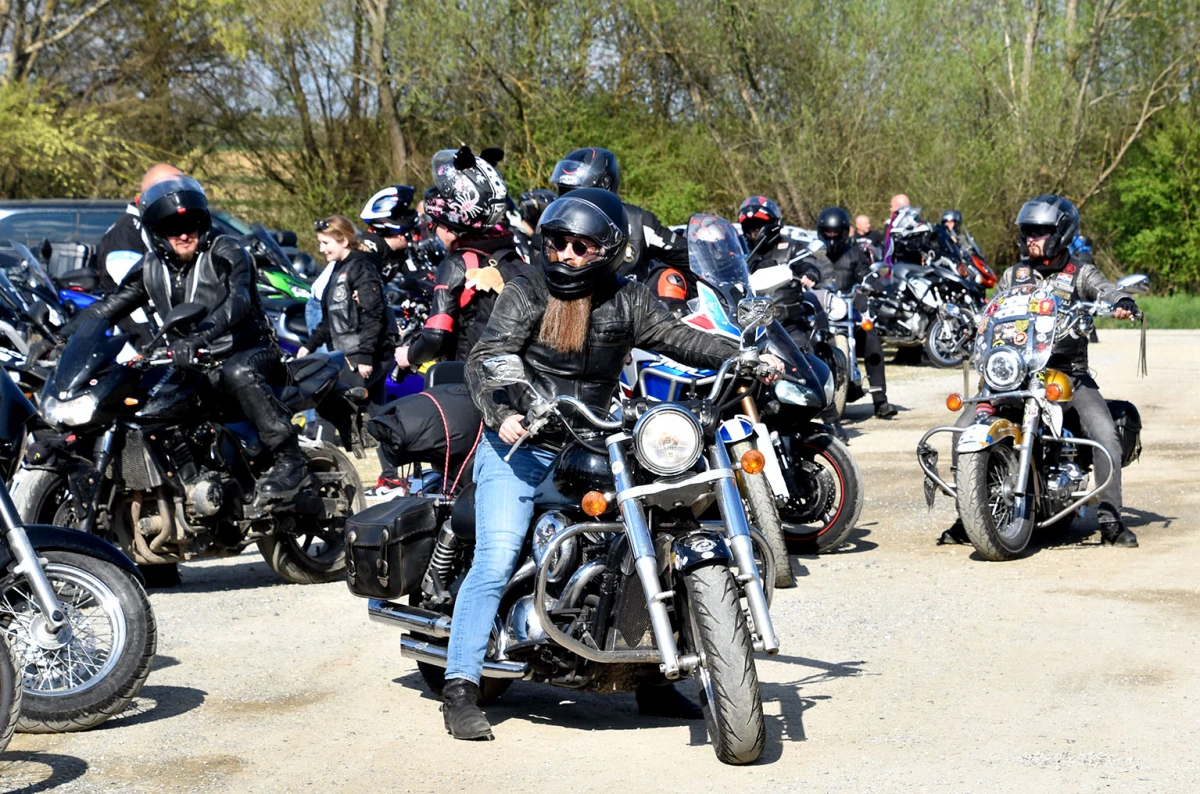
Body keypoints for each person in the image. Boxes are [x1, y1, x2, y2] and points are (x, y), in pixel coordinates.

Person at [439, 188, 784, 740]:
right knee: (497, 555)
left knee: (652, 531)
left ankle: (652, 676)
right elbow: (489, 355)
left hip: (596, 442)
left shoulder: (626, 298)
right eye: (557, 243)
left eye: (581, 246)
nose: (567, 256)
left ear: (608, 251)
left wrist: (741, 354)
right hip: (521, 445)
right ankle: (460, 687)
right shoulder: (527, 289)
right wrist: (505, 408)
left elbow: (678, 338)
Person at [83, 175, 308, 501]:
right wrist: (60, 336)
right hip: (191, 359)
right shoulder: (151, 267)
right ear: (158, 233)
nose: (184, 234)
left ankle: (291, 460)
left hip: (249, 351)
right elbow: (107, 307)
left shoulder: (227, 250)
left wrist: (201, 336)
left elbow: (238, 300)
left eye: (191, 224)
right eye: (173, 228)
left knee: (238, 373)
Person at [940, 194, 1138, 547]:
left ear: (1060, 233)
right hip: (1014, 372)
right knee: (961, 428)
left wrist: (1118, 301)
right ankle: (969, 514)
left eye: (1040, 231)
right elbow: (992, 312)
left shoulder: (1079, 273)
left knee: (1104, 432)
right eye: (1028, 230)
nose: (1031, 237)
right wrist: (973, 326)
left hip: (1066, 372)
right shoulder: (1014, 275)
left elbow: (1104, 289)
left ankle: (1110, 518)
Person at [393, 146, 527, 373]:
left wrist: (409, 355)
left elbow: (436, 336)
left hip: (468, 380)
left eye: (436, 226)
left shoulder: (458, 262)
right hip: (512, 375)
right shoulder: (509, 249)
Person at [297, 216, 398, 493]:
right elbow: (331, 318)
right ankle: (391, 478)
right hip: (349, 352)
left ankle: (323, 479)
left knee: (328, 407)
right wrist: (310, 344)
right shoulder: (339, 269)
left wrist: (365, 357)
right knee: (378, 414)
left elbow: (373, 315)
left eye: (325, 243)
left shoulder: (361, 268)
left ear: (342, 239)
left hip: (367, 354)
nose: (321, 249)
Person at [549, 147, 690, 284]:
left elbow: (688, 257)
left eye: (579, 193)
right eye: (565, 193)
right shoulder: (553, 223)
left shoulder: (638, 221)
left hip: (629, 304)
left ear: (605, 185)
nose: (571, 202)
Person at [816, 207, 897, 419]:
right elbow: (802, 272)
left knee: (872, 341)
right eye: (828, 232)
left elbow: (865, 272)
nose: (832, 237)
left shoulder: (854, 254)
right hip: (821, 316)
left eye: (836, 233)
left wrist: (872, 281)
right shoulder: (815, 255)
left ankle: (880, 400)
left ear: (844, 232)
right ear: (821, 232)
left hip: (849, 313)